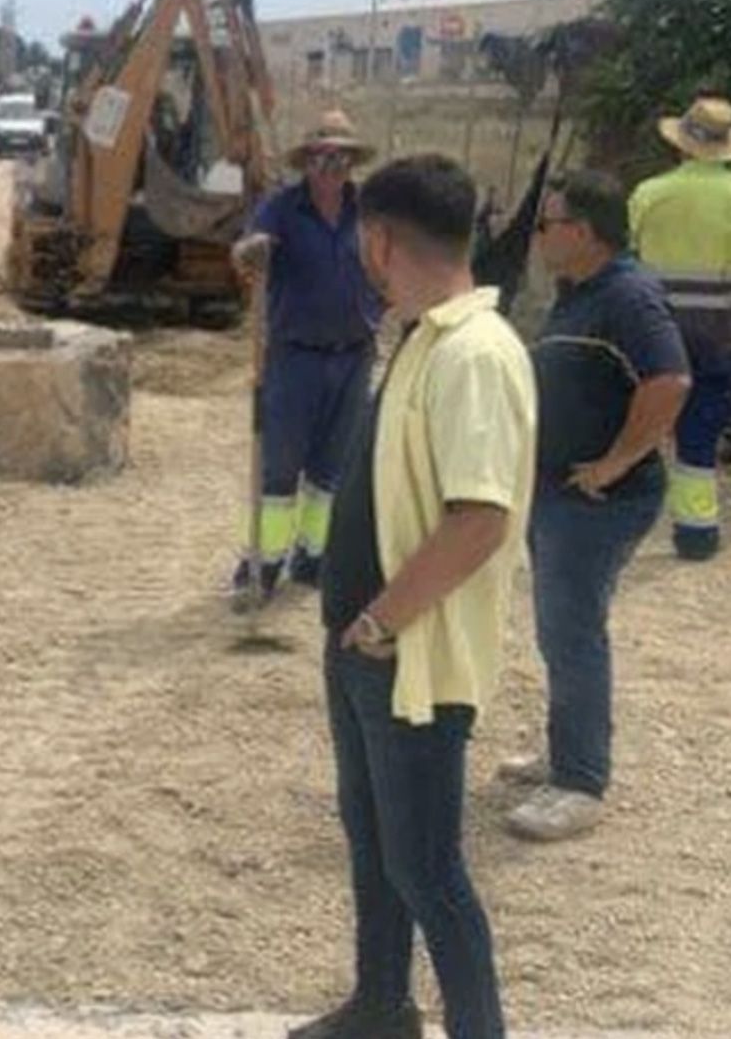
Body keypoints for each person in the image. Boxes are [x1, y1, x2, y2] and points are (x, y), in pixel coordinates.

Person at [297, 155, 536, 1039]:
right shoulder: (423, 335)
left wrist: (379, 622)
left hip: (409, 657)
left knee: (429, 869)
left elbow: (479, 519)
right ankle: (380, 1006)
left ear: (380, 238)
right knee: (377, 853)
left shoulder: (474, 354)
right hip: (365, 648)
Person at [503, 171, 691, 842]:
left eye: (548, 224)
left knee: (573, 633)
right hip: (559, 493)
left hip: (598, 500)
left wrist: (615, 461)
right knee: (562, 631)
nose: (540, 236)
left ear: (582, 232)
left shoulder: (628, 295)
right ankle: (565, 751)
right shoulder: (579, 293)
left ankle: (580, 781)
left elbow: (669, 381)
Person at [231, 110, 385, 605]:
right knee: (280, 465)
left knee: (332, 467)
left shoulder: (369, 212)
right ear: (308, 161)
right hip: (295, 358)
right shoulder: (282, 208)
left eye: (340, 156)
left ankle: (312, 556)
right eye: (322, 156)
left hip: (354, 354)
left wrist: (383, 303)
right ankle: (263, 562)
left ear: (351, 163)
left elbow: (389, 263)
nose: (331, 165)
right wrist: (251, 251)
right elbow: (245, 250)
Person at [630, 95, 731, 561]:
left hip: (654, 327)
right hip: (719, 333)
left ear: (682, 145)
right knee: (700, 429)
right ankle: (696, 531)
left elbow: (626, 261)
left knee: (639, 418)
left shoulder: (650, 193)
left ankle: (625, 515)